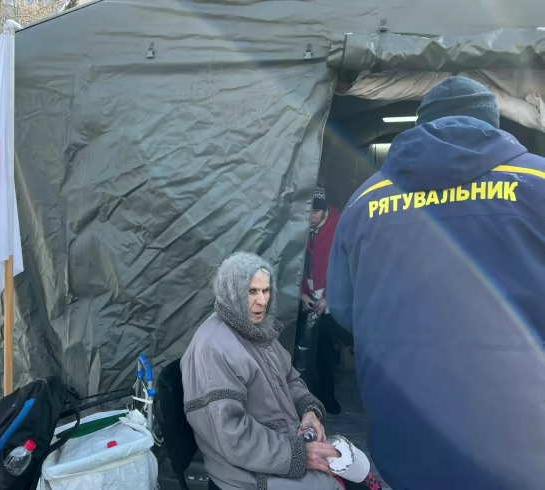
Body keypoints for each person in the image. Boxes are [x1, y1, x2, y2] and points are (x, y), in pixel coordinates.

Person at [327, 76, 545, 490]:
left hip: (406, 435)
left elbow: (342, 309)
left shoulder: (364, 202)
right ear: (493, 123)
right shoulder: (537, 183)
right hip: (522, 439)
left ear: (420, 123)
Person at [181, 252, 344, 490]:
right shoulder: (213, 347)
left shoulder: (256, 330)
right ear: (231, 292)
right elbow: (232, 435)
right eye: (251, 291)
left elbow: (290, 379)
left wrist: (308, 411)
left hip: (279, 449)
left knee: (350, 471)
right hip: (246, 474)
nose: (262, 301)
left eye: (266, 290)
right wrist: (300, 455)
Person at [298, 186, 353, 414]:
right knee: (318, 349)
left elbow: (345, 264)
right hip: (310, 294)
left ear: (325, 211)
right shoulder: (298, 222)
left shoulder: (339, 223)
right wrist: (301, 293)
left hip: (333, 296)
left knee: (330, 342)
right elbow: (296, 261)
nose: (312, 217)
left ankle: (328, 399)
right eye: (309, 212)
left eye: (316, 212)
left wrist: (329, 297)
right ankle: (320, 400)